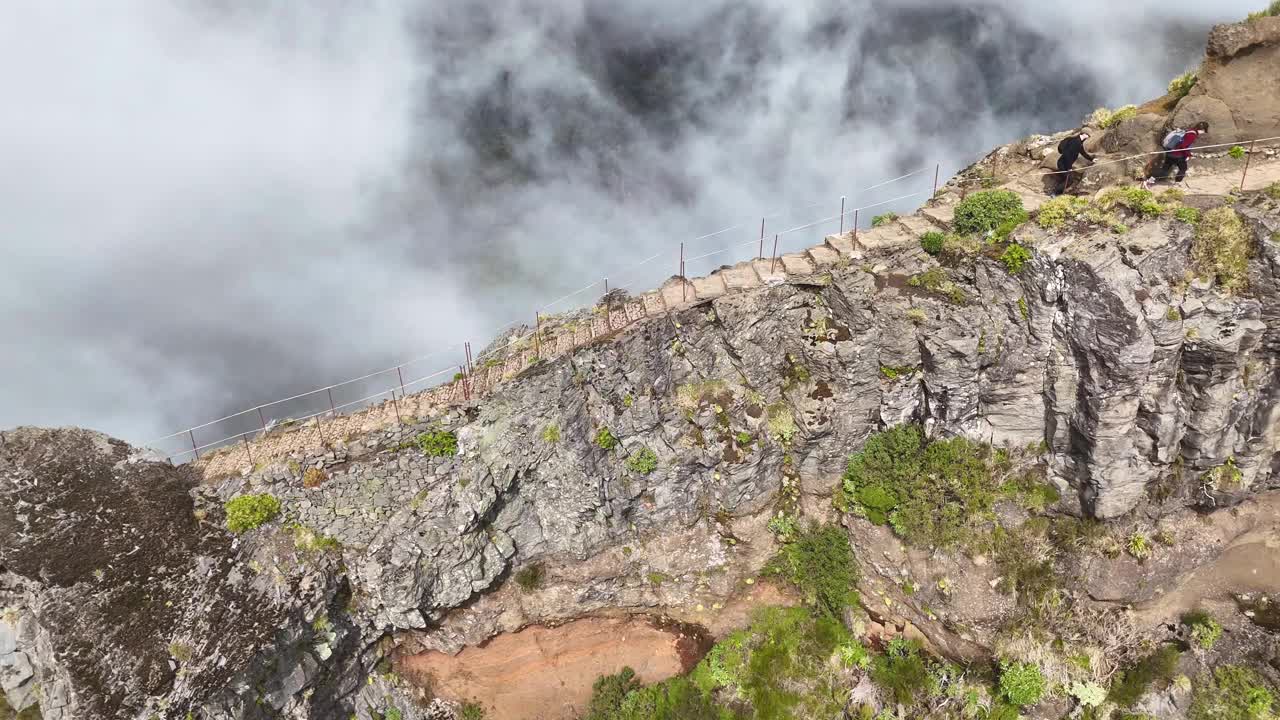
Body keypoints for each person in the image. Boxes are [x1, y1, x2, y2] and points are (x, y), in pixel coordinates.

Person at [1145, 121, 1208, 188]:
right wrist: (1188, 155)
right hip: (1178, 155)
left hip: (1170, 153)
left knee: (1164, 169)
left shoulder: (1189, 131)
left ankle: (1149, 181)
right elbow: (1183, 146)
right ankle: (1177, 183)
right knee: (1183, 168)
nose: (1203, 132)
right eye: (1204, 131)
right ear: (1202, 129)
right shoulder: (1192, 135)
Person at [1051, 131, 1094, 196]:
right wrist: (1069, 167)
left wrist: (1092, 159)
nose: (1087, 137)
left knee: (1069, 179)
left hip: (1065, 163)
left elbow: (1083, 153)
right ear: (1084, 134)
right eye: (1087, 135)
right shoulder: (1075, 142)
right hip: (1063, 164)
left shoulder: (1079, 143)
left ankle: (1059, 192)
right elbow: (1067, 154)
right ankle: (1054, 193)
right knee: (1069, 179)